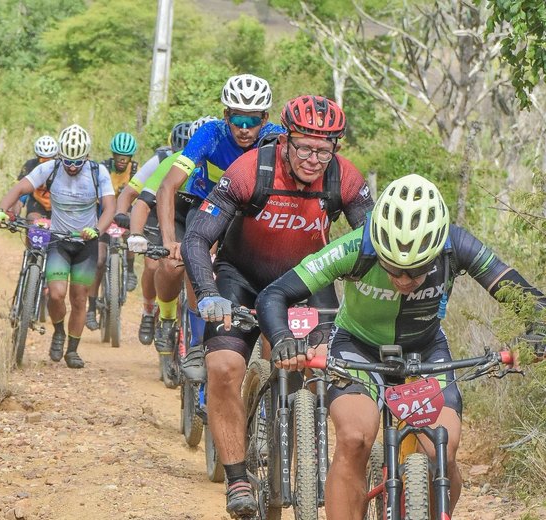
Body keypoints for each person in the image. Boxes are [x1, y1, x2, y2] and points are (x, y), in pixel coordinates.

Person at [255, 173, 546, 519]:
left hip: (425, 351)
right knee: (353, 439)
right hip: (357, 348)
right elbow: (273, 294)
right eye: (392, 267)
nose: (404, 280)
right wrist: (283, 340)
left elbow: (532, 302)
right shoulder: (355, 246)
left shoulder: (457, 246)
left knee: (443, 450)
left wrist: (536, 336)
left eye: (418, 270)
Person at [181, 95, 374, 517]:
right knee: (224, 368)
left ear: (336, 148)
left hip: (305, 281)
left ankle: (295, 463)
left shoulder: (344, 178)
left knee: (309, 367)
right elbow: (196, 237)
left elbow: (375, 241)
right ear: (285, 139)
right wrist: (208, 292)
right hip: (241, 278)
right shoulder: (251, 170)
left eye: (324, 150)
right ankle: (236, 480)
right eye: (304, 146)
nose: (313, 158)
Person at [157, 74, 284, 374]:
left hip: (248, 214)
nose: (243, 128)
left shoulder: (278, 138)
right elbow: (167, 187)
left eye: (252, 120)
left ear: (265, 118)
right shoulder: (210, 134)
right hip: (207, 208)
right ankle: (198, 341)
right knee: (190, 256)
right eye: (237, 118)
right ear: (226, 114)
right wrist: (167, 240)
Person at [0, 124, 116, 368]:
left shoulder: (97, 172)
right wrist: (0, 210)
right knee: (56, 295)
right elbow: (20, 188)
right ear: (60, 156)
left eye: (77, 162)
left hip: (86, 243)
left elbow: (110, 207)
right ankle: (58, 331)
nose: (71, 166)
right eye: (67, 160)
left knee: (79, 299)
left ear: (86, 158)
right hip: (58, 241)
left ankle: (72, 349)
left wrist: (97, 230)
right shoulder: (51, 168)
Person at [116, 121, 193, 344]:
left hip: (187, 215)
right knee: (152, 264)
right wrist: (125, 218)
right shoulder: (162, 161)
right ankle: (149, 312)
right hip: (156, 211)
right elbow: (133, 193)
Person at [85, 132, 140, 330]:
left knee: (135, 233)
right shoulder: (102, 169)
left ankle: (131, 270)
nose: (121, 161)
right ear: (113, 155)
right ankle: (90, 308)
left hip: (126, 218)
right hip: (104, 217)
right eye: (118, 156)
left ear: (131, 158)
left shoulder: (136, 171)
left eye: (125, 157)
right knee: (99, 261)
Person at [13, 135, 58, 221]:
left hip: (57, 206)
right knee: (33, 220)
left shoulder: (62, 167)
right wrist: (14, 216)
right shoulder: (30, 165)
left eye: (49, 159)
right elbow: (20, 193)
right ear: (37, 156)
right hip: (37, 204)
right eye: (42, 158)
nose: (45, 162)